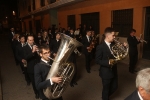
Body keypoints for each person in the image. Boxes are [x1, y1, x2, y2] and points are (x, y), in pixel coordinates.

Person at [95, 27, 118, 100]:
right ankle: (105, 98)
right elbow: (97, 60)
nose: (114, 37)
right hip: (106, 72)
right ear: (108, 36)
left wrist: (124, 47)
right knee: (106, 89)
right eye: (113, 35)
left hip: (114, 70)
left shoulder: (113, 44)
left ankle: (105, 97)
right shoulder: (100, 47)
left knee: (115, 87)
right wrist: (107, 62)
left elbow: (116, 54)